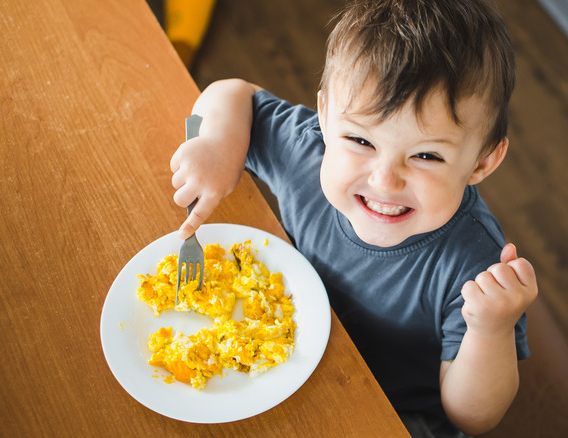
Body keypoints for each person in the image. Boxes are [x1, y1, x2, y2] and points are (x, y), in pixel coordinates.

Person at [169, 0, 538, 436]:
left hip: (394, 410)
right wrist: (217, 143)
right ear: (324, 116)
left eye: (425, 155)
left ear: (480, 163)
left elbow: (471, 417)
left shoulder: (474, 265)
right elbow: (233, 93)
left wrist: (491, 330)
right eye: (362, 140)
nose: (384, 179)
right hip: (286, 354)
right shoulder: (308, 152)